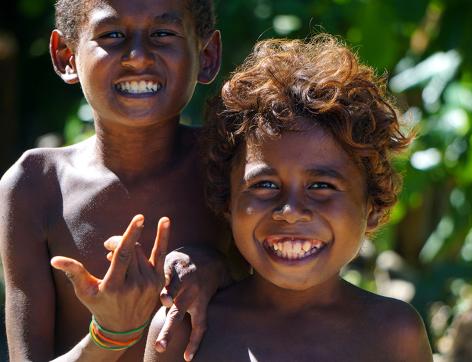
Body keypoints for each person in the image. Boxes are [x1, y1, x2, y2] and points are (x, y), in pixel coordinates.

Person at [145, 33, 434, 361]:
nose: (291, 211)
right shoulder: (185, 330)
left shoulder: (394, 333)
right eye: (265, 185)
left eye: (321, 186)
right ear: (228, 201)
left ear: (371, 206)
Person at [0, 0, 228, 361]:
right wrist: (110, 335)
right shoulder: (36, 186)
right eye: (113, 35)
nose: (138, 57)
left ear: (208, 55)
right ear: (66, 56)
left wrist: (219, 267)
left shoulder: (233, 167)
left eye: (163, 34)